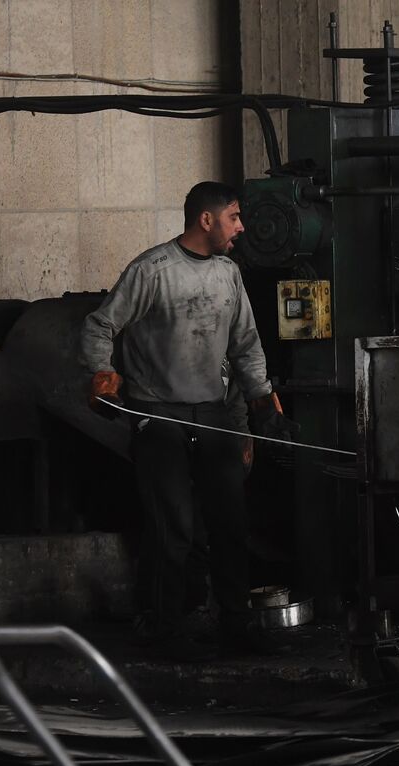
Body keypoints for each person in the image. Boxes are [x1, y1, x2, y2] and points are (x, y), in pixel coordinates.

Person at [80, 181, 292, 657]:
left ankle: (235, 623)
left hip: (212, 414)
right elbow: (100, 325)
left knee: (230, 523)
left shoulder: (228, 274)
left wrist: (262, 405)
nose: (241, 227)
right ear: (206, 220)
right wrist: (102, 373)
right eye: (234, 218)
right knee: (171, 527)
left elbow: (245, 346)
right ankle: (161, 628)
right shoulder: (152, 270)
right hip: (157, 415)